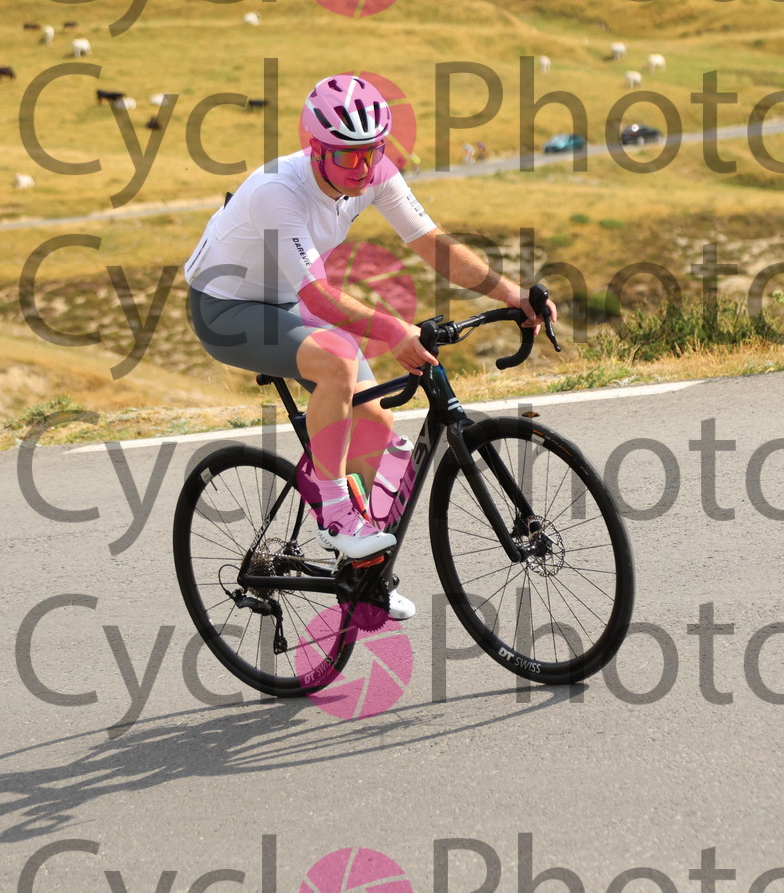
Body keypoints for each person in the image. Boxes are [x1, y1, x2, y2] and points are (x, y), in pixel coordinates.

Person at [183, 74, 554, 621]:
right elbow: (317, 294)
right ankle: (337, 516)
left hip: (287, 299)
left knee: (377, 426)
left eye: (372, 151)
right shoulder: (276, 191)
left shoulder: (374, 171)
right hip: (226, 307)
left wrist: (511, 294)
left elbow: (432, 244)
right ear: (316, 148)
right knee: (336, 361)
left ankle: (364, 579)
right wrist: (391, 329)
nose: (362, 167)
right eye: (347, 155)